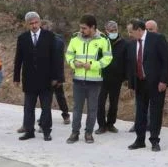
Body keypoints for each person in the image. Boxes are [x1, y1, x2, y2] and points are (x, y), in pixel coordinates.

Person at [65, 15, 113, 144]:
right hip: (78, 80)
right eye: (80, 28)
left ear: (93, 27)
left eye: (84, 28)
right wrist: (73, 63)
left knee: (92, 109)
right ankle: (75, 133)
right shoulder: (75, 38)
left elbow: (108, 58)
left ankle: (89, 133)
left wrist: (92, 65)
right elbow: (69, 55)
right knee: (77, 108)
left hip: (95, 81)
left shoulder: (103, 40)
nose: (81, 30)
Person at [126, 18, 168, 152]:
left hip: (156, 83)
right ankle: (140, 140)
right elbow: (131, 65)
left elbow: (166, 61)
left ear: (139, 30)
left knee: (156, 112)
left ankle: (154, 140)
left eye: (131, 31)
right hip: (140, 83)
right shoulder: (132, 44)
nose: (129, 34)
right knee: (140, 112)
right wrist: (131, 85)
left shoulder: (157, 39)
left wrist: (164, 80)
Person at [14, 11, 60, 141]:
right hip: (29, 79)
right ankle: (29, 131)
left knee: (46, 107)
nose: (34, 25)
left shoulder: (49, 36)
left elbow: (55, 58)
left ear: (40, 22)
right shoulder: (22, 38)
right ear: (27, 24)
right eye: (31, 23)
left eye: (36, 22)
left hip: (46, 79)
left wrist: (56, 77)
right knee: (29, 107)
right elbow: (18, 59)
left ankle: (46, 131)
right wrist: (16, 78)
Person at [96, 20, 127, 134]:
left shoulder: (124, 43)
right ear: (106, 31)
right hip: (102, 78)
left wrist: (125, 77)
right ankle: (101, 125)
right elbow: (96, 58)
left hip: (116, 78)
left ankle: (110, 124)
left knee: (114, 103)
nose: (113, 32)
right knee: (100, 103)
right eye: (111, 30)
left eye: (115, 30)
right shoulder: (101, 42)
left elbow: (126, 61)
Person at [40, 20, 70, 125]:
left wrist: (59, 78)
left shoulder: (58, 41)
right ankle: (44, 116)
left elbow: (60, 61)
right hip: (44, 74)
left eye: (45, 28)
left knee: (60, 95)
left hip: (56, 74)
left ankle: (66, 115)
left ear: (49, 28)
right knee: (45, 97)